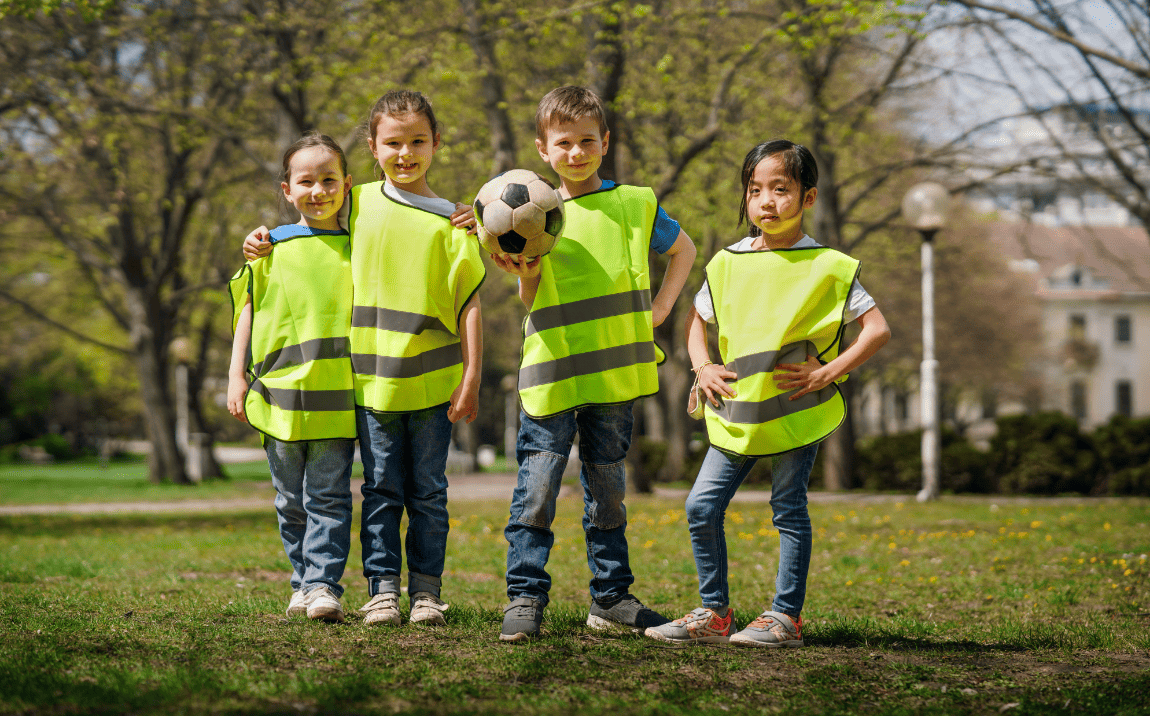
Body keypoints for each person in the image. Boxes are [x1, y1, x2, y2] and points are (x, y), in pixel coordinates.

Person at [243, 91, 484, 627]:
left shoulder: (454, 220)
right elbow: (311, 211)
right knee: (380, 491)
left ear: (436, 144)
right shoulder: (364, 200)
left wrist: (472, 374)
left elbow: (469, 302)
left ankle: (426, 592)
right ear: (372, 149)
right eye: (393, 143)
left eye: (417, 141)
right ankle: (381, 591)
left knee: (429, 493)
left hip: (434, 382)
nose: (406, 153)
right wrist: (262, 239)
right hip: (371, 383)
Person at [644, 139, 890, 647]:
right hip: (734, 410)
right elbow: (697, 322)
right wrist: (702, 365)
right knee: (700, 507)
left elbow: (877, 330)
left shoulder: (829, 265)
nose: (767, 202)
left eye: (781, 189)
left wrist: (830, 373)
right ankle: (714, 613)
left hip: (798, 411)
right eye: (755, 190)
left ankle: (785, 617)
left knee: (789, 510)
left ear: (809, 197)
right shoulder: (725, 262)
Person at [491, 86, 697, 641]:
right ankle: (524, 597)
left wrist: (660, 308)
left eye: (587, 141)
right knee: (536, 489)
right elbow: (530, 299)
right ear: (542, 149)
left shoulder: (634, 204)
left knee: (608, 492)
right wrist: (525, 268)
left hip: (612, 376)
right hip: (551, 371)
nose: (576, 153)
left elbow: (685, 251)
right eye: (564, 143)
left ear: (605, 143)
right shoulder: (533, 214)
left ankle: (611, 598)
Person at [227, 132, 357, 623]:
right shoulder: (268, 247)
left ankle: (324, 585)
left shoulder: (359, 247)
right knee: (289, 501)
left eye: (329, 180)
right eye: (306, 181)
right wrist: (235, 376)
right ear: (287, 189)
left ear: (347, 186)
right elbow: (248, 310)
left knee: (327, 496)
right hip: (278, 396)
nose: (318, 190)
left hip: (338, 399)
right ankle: (301, 581)